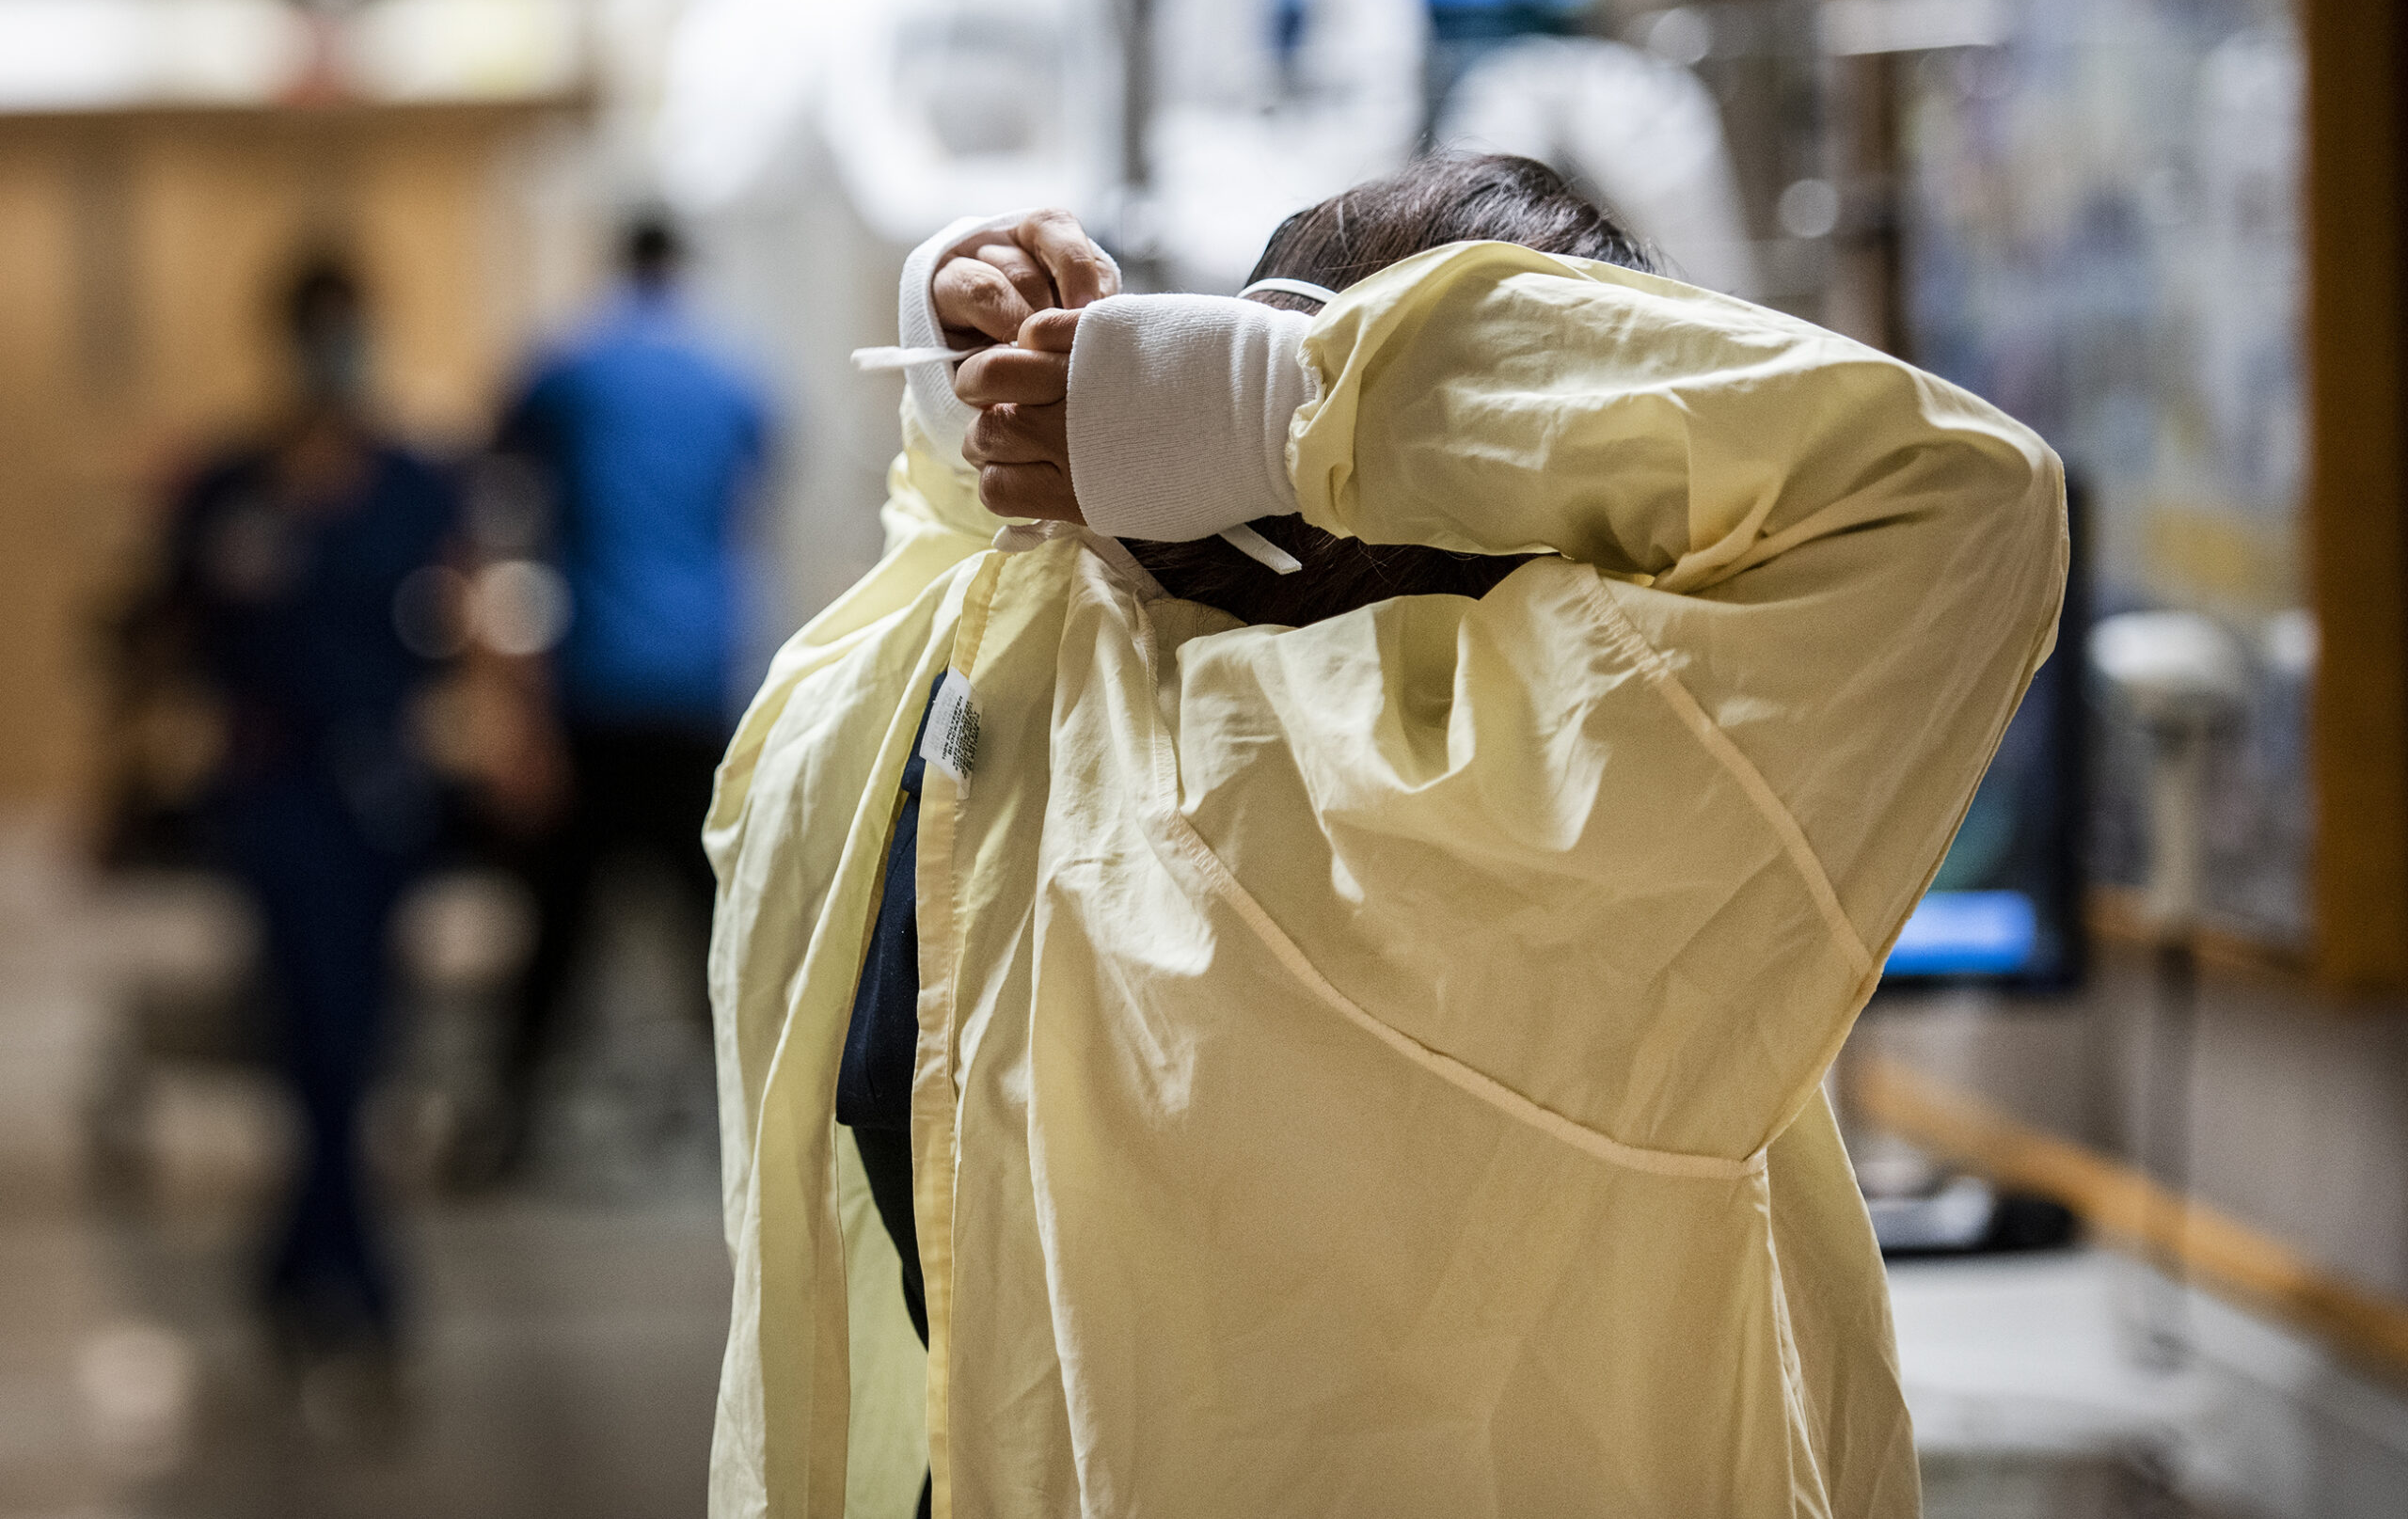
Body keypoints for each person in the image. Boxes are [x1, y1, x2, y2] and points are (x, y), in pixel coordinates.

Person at [705, 154, 2066, 1516]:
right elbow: (1957, 493)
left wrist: (979, 420)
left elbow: (975, 573)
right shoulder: (1501, 811)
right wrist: (1294, 405)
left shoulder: (914, 715)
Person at [155, 254, 458, 1386]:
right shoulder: (229, 484)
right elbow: (168, 630)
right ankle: (361, 1281)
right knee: (312, 1025)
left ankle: (297, 1264)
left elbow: (466, 604)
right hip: (274, 791)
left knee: (361, 1031)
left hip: (382, 792)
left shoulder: (417, 479)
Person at [484, 215, 768, 1174]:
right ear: (680, 267)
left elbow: (501, 470)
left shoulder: (567, 368)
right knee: (712, 934)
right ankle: (763, 1128)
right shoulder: (733, 380)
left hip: (596, 687)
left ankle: (511, 1126)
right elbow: (750, 490)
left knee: (557, 925)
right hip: (695, 685)